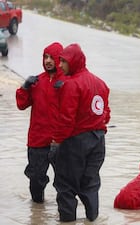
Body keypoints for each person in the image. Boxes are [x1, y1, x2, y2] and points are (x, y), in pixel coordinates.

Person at [51, 43, 111, 222]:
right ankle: (92, 219)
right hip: (98, 141)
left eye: (63, 61)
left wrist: (56, 142)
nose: (59, 65)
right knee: (91, 185)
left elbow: (66, 120)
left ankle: (68, 220)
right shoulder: (101, 83)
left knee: (66, 187)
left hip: (75, 142)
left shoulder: (71, 84)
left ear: (74, 61)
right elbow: (106, 115)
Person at [15, 42, 65, 203]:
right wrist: (24, 87)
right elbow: (21, 105)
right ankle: (37, 214)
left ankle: (64, 214)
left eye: (52, 57)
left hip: (61, 142)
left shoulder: (68, 81)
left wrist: (65, 88)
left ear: (60, 59)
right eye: (45, 57)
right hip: (37, 141)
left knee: (64, 182)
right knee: (35, 179)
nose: (48, 61)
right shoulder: (36, 81)